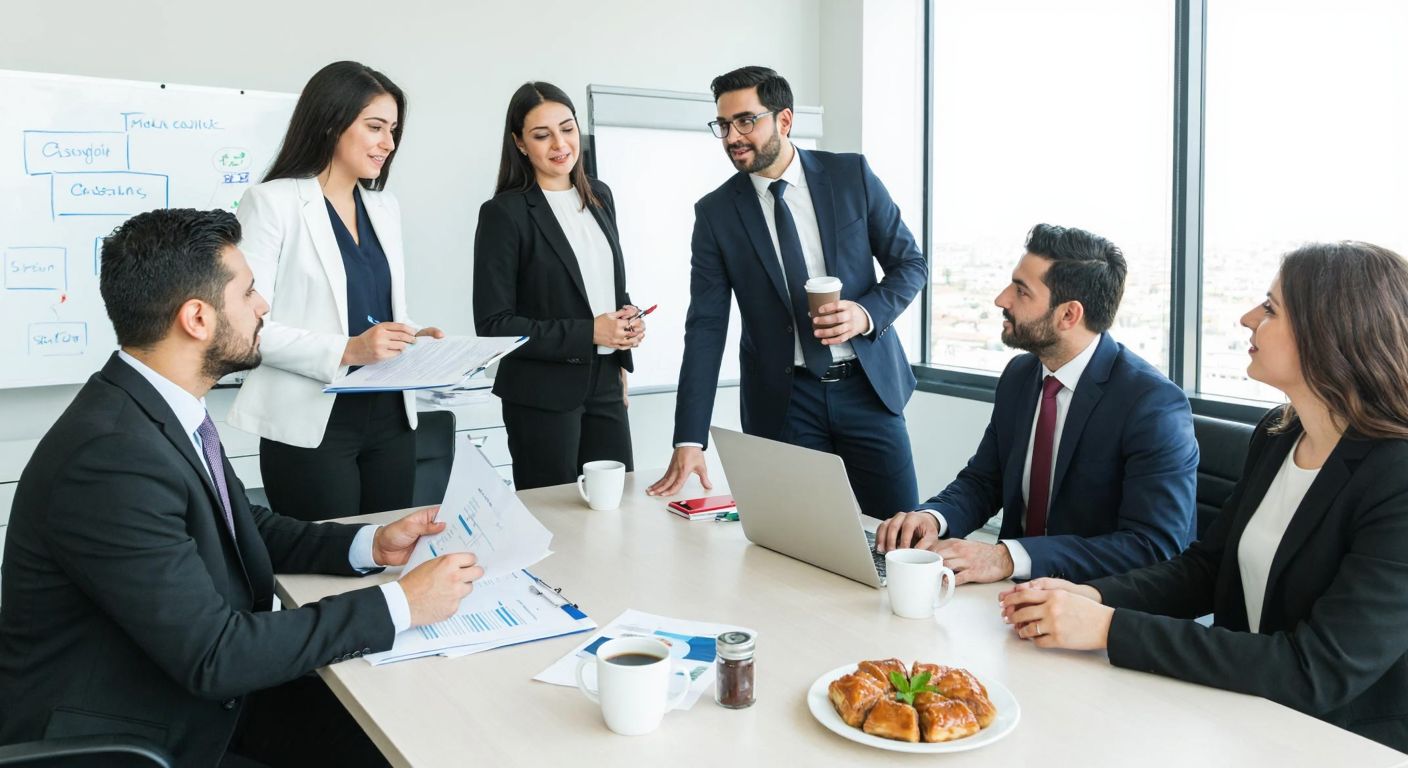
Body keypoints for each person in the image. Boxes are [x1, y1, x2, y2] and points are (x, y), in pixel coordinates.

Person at [0, 208, 483, 766]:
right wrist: (402, 602)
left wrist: (368, 545)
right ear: (198, 319)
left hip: (195, 690)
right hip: (141, 735)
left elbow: (239, 524)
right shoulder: (110, 457)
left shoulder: (154, 408)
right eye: (249, 292)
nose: (263, 307)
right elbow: (217, 655)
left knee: (402, 729)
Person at [999, 241, 1408, 752]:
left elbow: (1316, 670)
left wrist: (1109, 628)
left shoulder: (1397, 476)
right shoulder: (1279, 436)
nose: (1246, 317)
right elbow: (1207, 570)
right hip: (1241, 713)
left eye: (1271, 308)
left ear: (1331, 334)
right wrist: (1097, 595)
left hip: (1342, 741)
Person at [646, 66, 927, 518]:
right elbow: (706, 327)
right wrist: (689, 437)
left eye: (746, 121)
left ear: (784, 120)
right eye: (723, 124)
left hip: (868, 390)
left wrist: (865, 314)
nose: (732, 136)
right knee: (801, 545)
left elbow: (910, 265)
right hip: (785, 403)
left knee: (899, 535)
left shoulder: (850, 174)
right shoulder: (716, 213)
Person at [875, 224, 1197, 584]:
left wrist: (1008, 558)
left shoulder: (1152, 404)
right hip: (1011, 597)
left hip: (1091, 605)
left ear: (1068, 315)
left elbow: (1151, 545)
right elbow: (984, 481)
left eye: (1021, 291)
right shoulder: (1021, 375)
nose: (1002, 299)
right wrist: (934, 518)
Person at [229, 60, 444, 521]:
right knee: (325, 572)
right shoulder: (272, 203)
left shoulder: (384, 207)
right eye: (375, 127)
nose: (388, 143)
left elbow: (378, 311)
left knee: (389, 558)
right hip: (312, 424)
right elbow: (246, 327)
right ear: (330, 122)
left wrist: (411, 335)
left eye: (393, 130)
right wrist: (348, 349)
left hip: (391, 418)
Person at [474, 82, 643, 490]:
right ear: (519, 143)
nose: (559, 143)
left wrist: (627, 319)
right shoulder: (504, 213)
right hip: (541, 395)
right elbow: (494, 325)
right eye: (541, 134)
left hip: (605, 379)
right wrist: (591, 332)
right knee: (556, 524)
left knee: (616, 511)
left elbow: (604, 290)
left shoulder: (600, 196)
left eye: (567, 128)